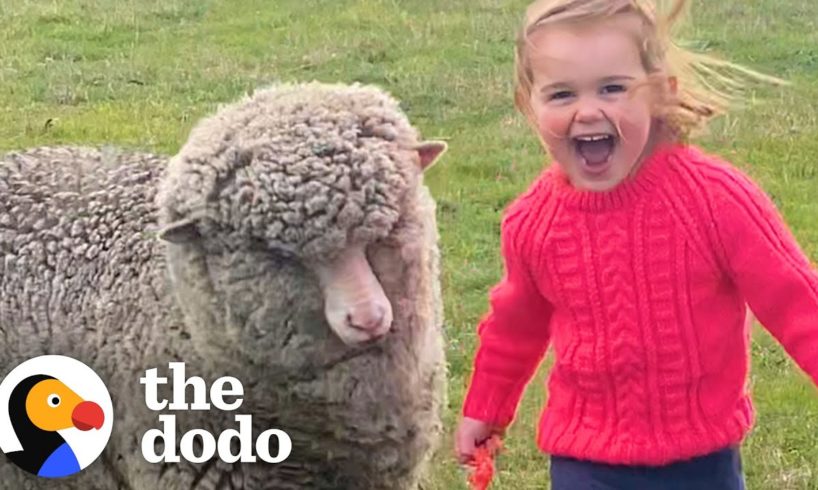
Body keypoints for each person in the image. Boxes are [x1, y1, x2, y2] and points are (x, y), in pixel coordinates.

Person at [454, 0, 816, 488]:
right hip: (585, 459)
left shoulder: (714, 200)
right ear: (528, 103)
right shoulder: (533, 222)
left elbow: (795, 299)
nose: (587, 110)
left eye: (612, 88)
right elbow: (513, 327)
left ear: (659, 94)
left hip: (701, 460)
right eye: (561, 94)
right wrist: (486, 406)